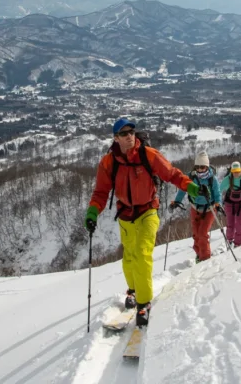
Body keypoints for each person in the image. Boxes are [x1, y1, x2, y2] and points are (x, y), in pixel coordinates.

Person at [85, 118, 197, 327]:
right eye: (124, 133)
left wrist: (190, 187)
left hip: (148, 211)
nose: (129, 136)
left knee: (143, 253)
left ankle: (144, 303)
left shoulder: (148, 154)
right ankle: (133, 291)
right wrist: (92, 213)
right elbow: (101, 192)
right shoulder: (109, 162)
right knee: (129, 257)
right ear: (116, 138)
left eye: (131, 132)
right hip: (126, 215)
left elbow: (171, 174)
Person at [170, 151, 222, 263]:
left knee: (203, 233)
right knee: (196, 234)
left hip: (209, 209)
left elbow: (217, 193)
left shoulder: (212, 179)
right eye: (197, 167)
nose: (200, 169)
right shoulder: (191, 177)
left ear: (207, 167)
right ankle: (199, 254)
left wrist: (218, 204)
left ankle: (205, 259)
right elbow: (183, 189)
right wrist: (177, 201)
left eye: (202, 167)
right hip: (195, 208)